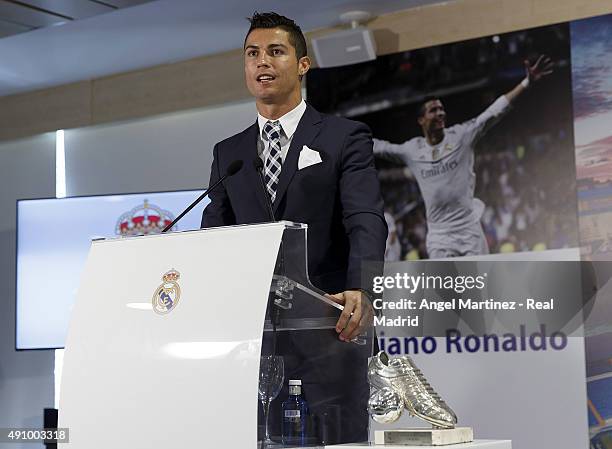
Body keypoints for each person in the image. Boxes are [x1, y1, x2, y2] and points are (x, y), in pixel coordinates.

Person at [201, 12, 387, 444]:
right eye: (252, 53)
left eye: (275, 51)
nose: (262, 62)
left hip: (329, 332)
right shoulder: (228, 152)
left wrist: (364, 288)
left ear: (303, 64)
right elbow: (216, 236)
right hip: (252, 345)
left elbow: (366, 218)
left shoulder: (344, 137)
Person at [374, 56, 553, 258]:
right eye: (434, 110)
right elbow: (381, 147)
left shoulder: (462, 135)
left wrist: (526, 82)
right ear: (421, 120)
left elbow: (493, 113)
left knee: (478, 287)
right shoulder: (412, 150)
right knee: (445, 288)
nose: (441, 113)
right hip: (439, 235)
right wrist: (343, 138)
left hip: (469, 231)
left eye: (442, 109)